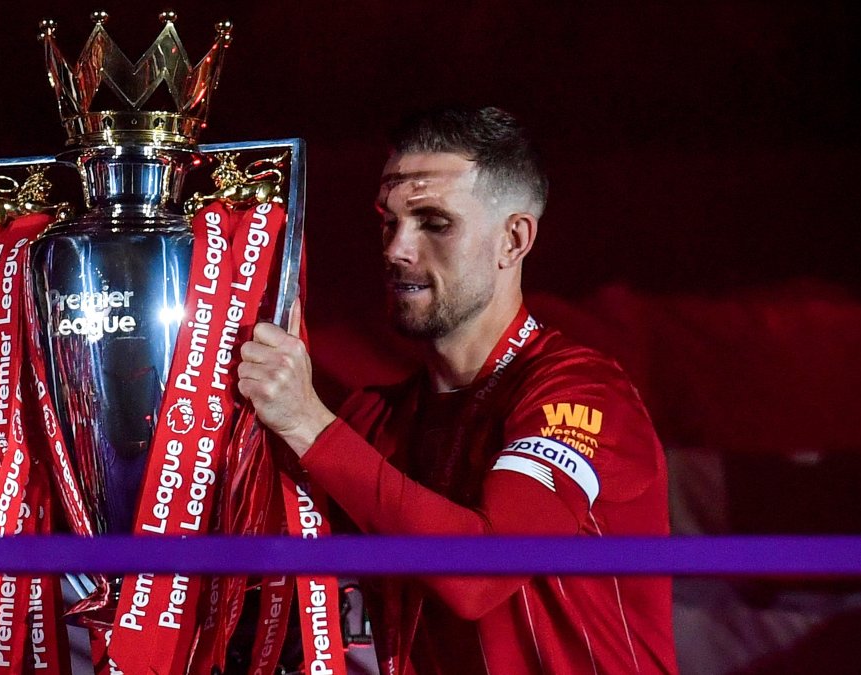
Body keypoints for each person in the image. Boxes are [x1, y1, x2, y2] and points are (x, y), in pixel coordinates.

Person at [237, 106, 678, 673]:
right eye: (388, 222)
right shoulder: (373, 419)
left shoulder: (582, 394)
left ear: (513, 240)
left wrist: (306, 424)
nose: (397, 249)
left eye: (433, 223)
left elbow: (478, 576)